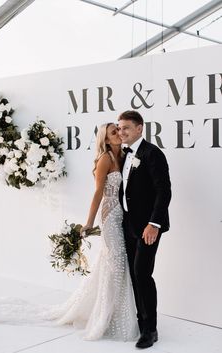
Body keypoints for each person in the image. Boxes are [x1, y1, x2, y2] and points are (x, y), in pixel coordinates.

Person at [55, 122, 138, 340]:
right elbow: (98, 194)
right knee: (116, 264)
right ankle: (105, 317)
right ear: (106, 139)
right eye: (114, 132)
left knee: (115, 265)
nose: (119, 134)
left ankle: (114, 311)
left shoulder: (123, 157)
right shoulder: (105, 159)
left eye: (119, 130)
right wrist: (89, 223)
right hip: (110, 218)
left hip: (124, 217)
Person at [118, 110, 171, 349]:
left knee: (142, 274)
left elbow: (164, 191)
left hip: (148, 226)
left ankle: (150, 330)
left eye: (126, 127)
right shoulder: (124, 154)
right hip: (128, 224)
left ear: (140, 128)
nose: (122, 132)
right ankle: (141, 323)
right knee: (133, 275)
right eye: (119, 128)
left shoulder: (152, 153)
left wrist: (154, 224)